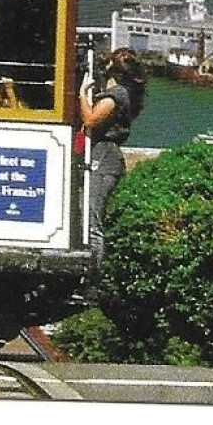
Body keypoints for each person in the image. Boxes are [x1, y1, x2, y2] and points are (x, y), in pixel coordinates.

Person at [78, 49, 147, 265]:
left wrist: (82, 95)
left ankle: (92, 274)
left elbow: (90, 120)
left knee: (93, 218)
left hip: (105, 157)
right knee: (89, 215)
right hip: (105, 154)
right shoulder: (121, 94)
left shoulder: (115, 96)